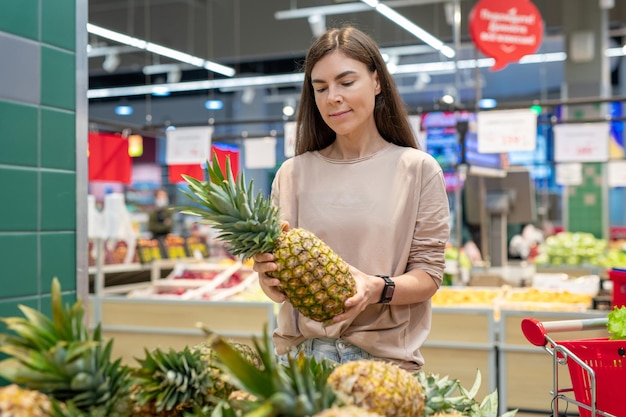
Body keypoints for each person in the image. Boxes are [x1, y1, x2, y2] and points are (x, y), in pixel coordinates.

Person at [252, 25, 450, 371]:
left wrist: (377, 288)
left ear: (376, 82)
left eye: (346, 82)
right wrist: (268, 278)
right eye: (321, 88)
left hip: (384, 367)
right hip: (299, 364)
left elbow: (429, 275)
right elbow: (277, 288)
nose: (333, 98)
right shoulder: (291, 174)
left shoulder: (418, 169)